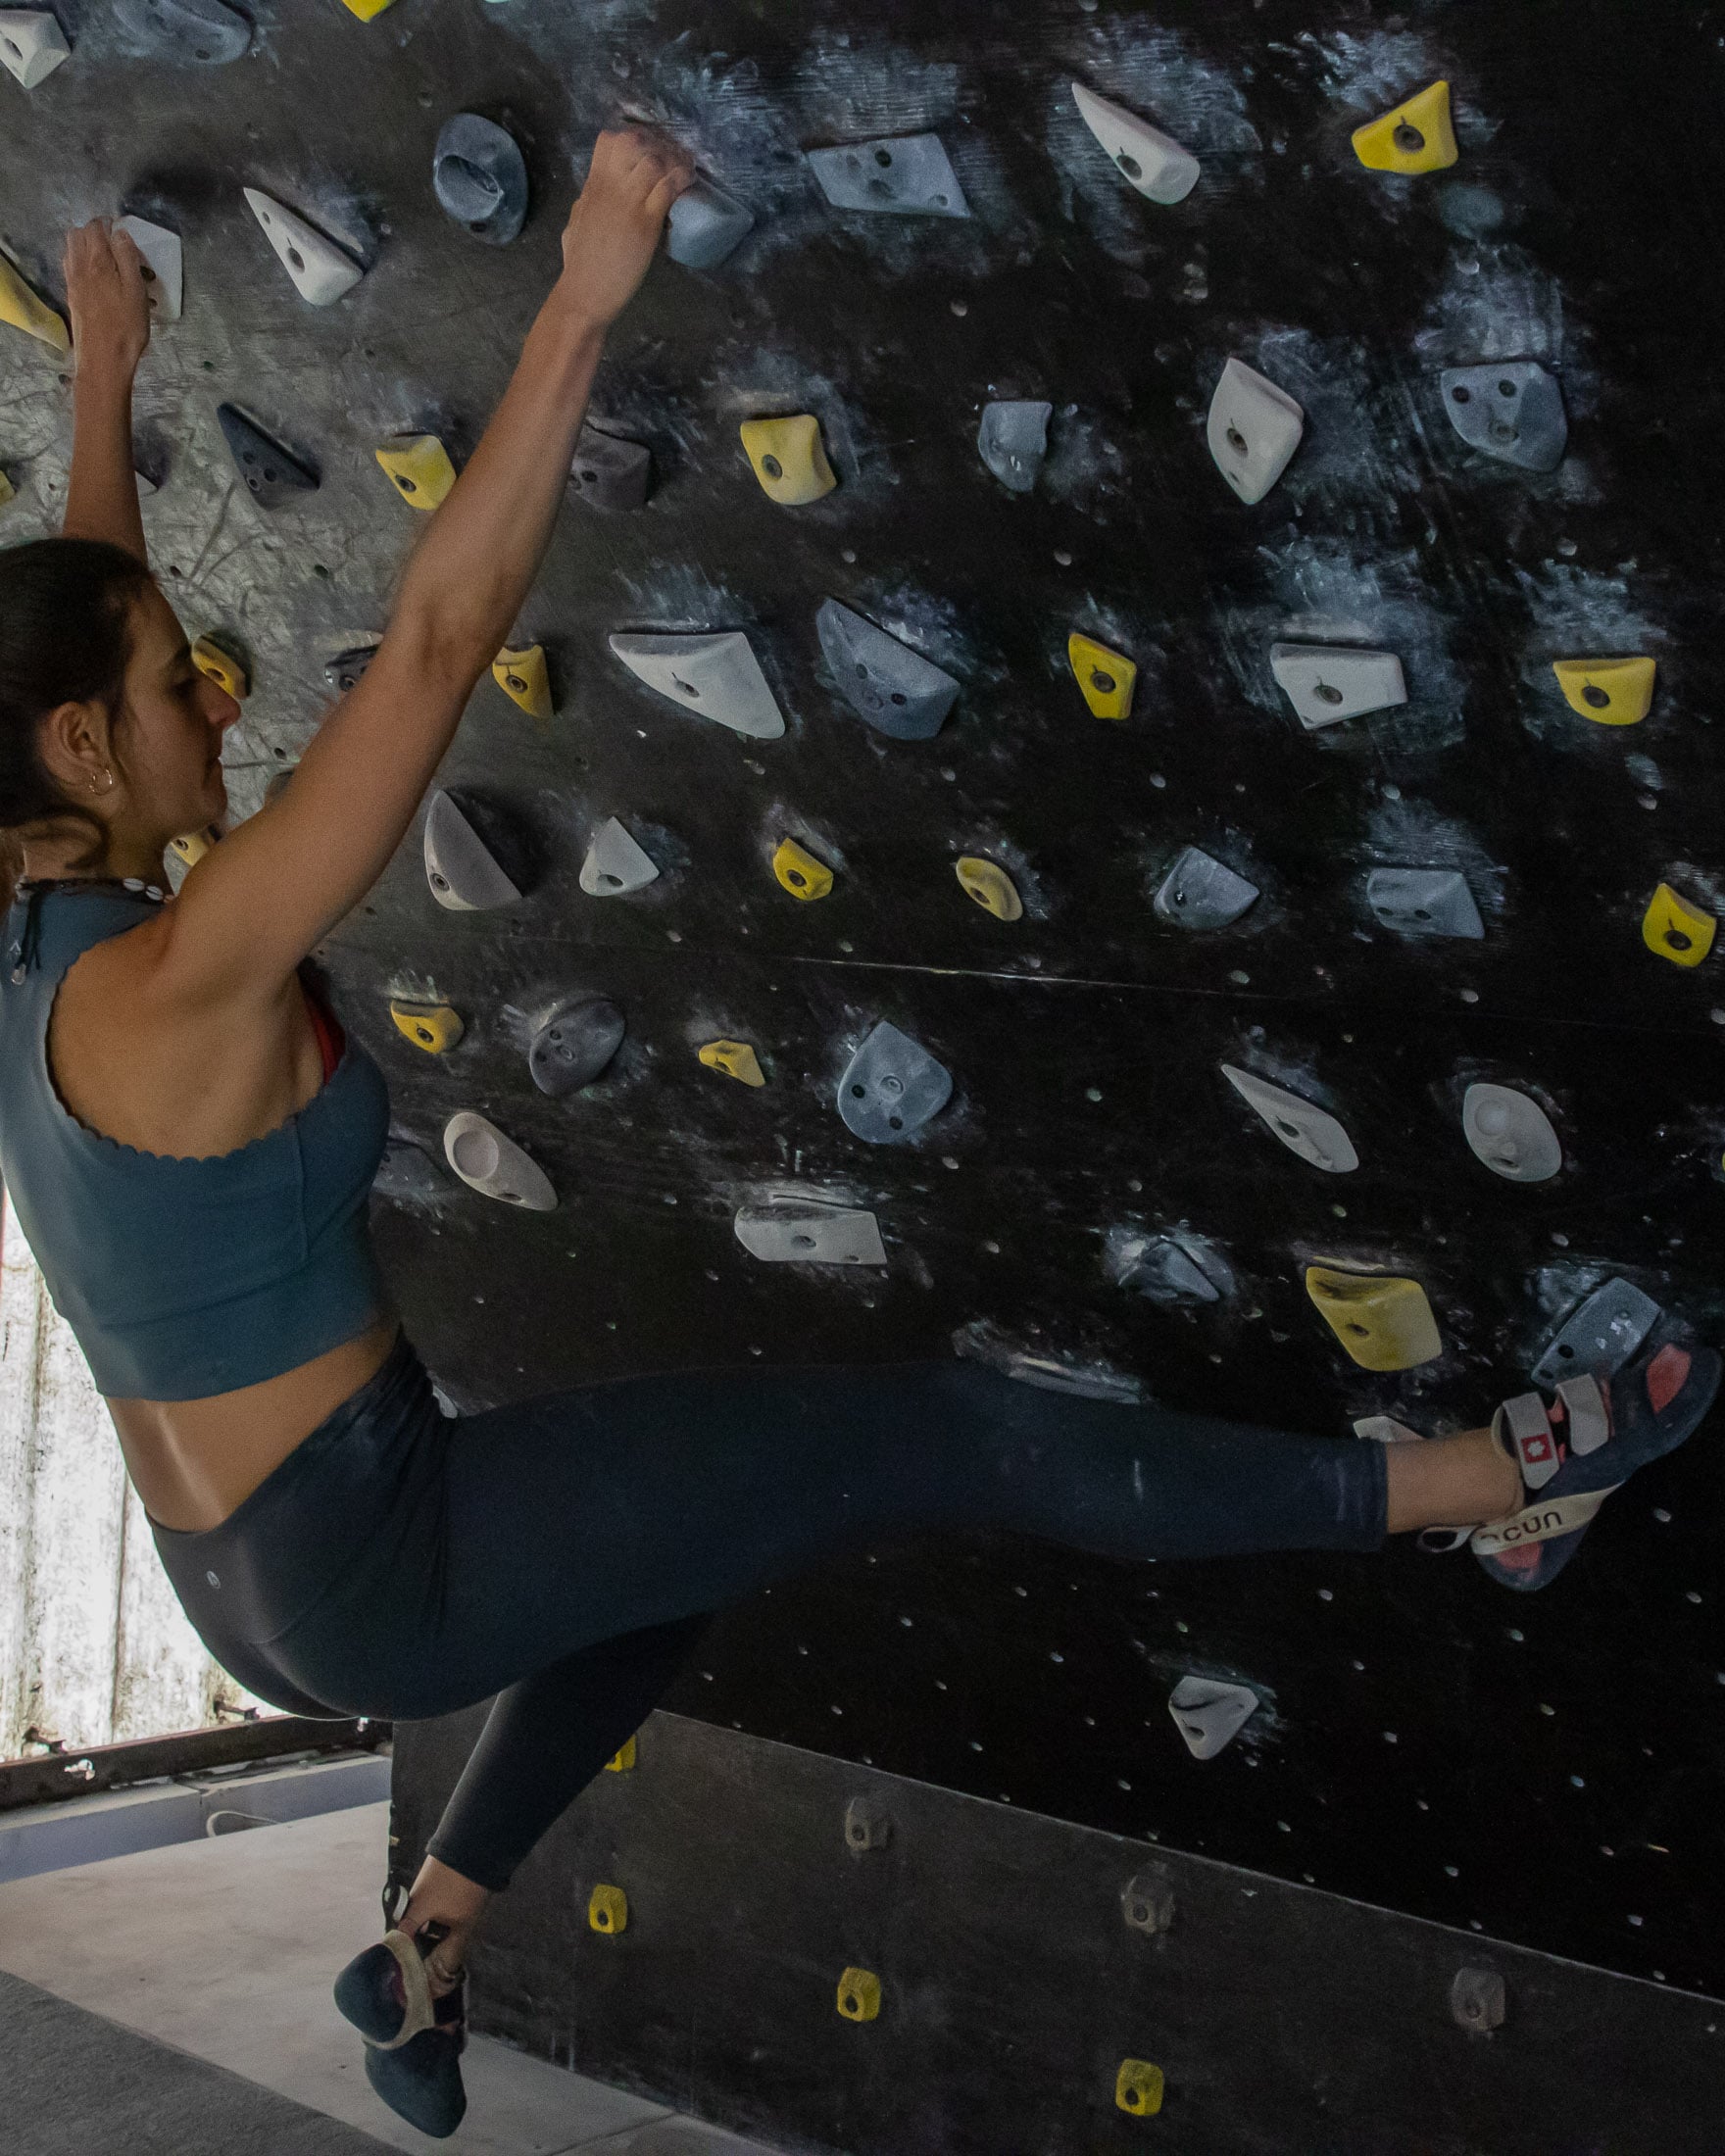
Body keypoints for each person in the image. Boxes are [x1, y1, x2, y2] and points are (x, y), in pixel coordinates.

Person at [0, 133, 1713, 2143]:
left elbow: (62, 635)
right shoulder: (183, 971)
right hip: (377, 1555)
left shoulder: (39, 919)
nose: (220, 684)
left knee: (678, 1546)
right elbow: (444, 640)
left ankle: (430, 1934)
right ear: (87, 748)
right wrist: (577, 300)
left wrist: (101, 379)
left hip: (251, 1570)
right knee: (934, 1429)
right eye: (177, 680)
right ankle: (1472, 1482)